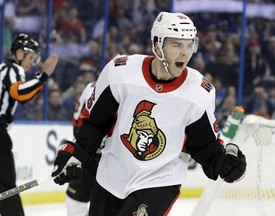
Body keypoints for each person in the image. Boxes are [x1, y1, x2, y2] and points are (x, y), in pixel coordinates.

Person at [51, 12, 247, 216]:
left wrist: (223, 163)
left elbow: (205, 145)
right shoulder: (120, 73)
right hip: (111, 177)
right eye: (177, 45)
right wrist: (76, 154)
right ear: (157, 45)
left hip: (159, 182)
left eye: (189, 45)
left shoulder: (198, 92)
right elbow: (94, 123)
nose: (185, 53)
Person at [0, 33, 58, 216]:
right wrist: (44, 76)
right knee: (7, 187)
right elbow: (19, 93)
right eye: (30, 57)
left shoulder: (2, 69)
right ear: (18, 53)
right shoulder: (13, 69)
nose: (32, 62)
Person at [65, 81, 104, 216]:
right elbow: (77, 122)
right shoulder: (91, 87)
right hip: (87, 156)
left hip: (111, 160)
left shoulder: (132, 91)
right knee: (74, 202)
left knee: (106, 207)